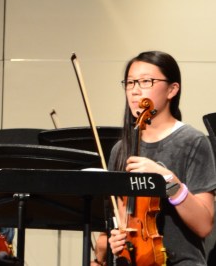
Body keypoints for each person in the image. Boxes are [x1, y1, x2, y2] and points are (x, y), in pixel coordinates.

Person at [92, 51, 216, 266]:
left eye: (146, 81)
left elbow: (203, 225)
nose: (135, 91)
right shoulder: (121, 149)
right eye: (130, 83)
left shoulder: (192, 142)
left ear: (172, 89)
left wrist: (166, 179)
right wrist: (117, 239)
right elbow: (122, 219)